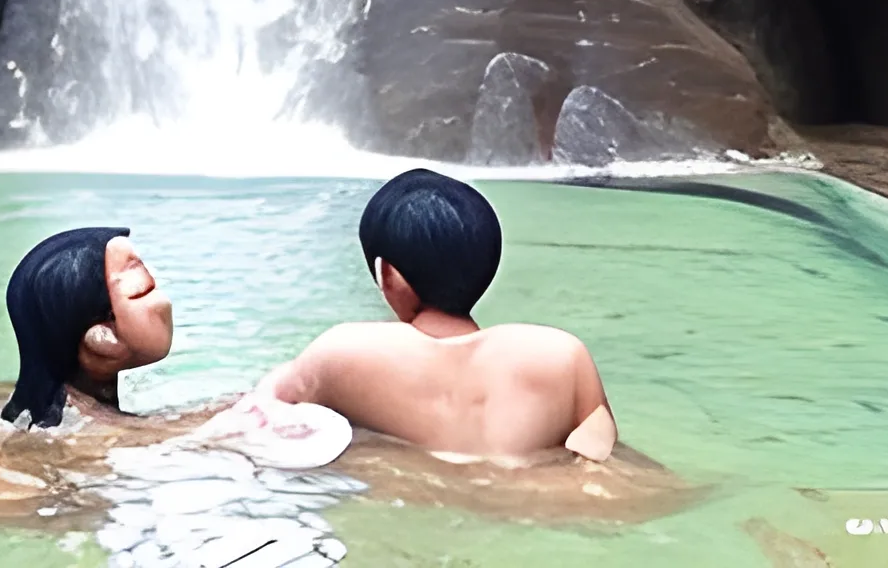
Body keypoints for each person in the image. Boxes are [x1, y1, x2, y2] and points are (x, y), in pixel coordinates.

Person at [254, 168, 618, 463]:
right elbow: (600, 455)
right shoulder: (560, 358)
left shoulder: (343, 354)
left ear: (387, 275)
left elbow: (257, 413)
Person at [0, 226, 175, 427]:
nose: (165, 303)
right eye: (140, 293)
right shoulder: (101, 435)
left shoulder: (43, 414)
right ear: (102, 340)